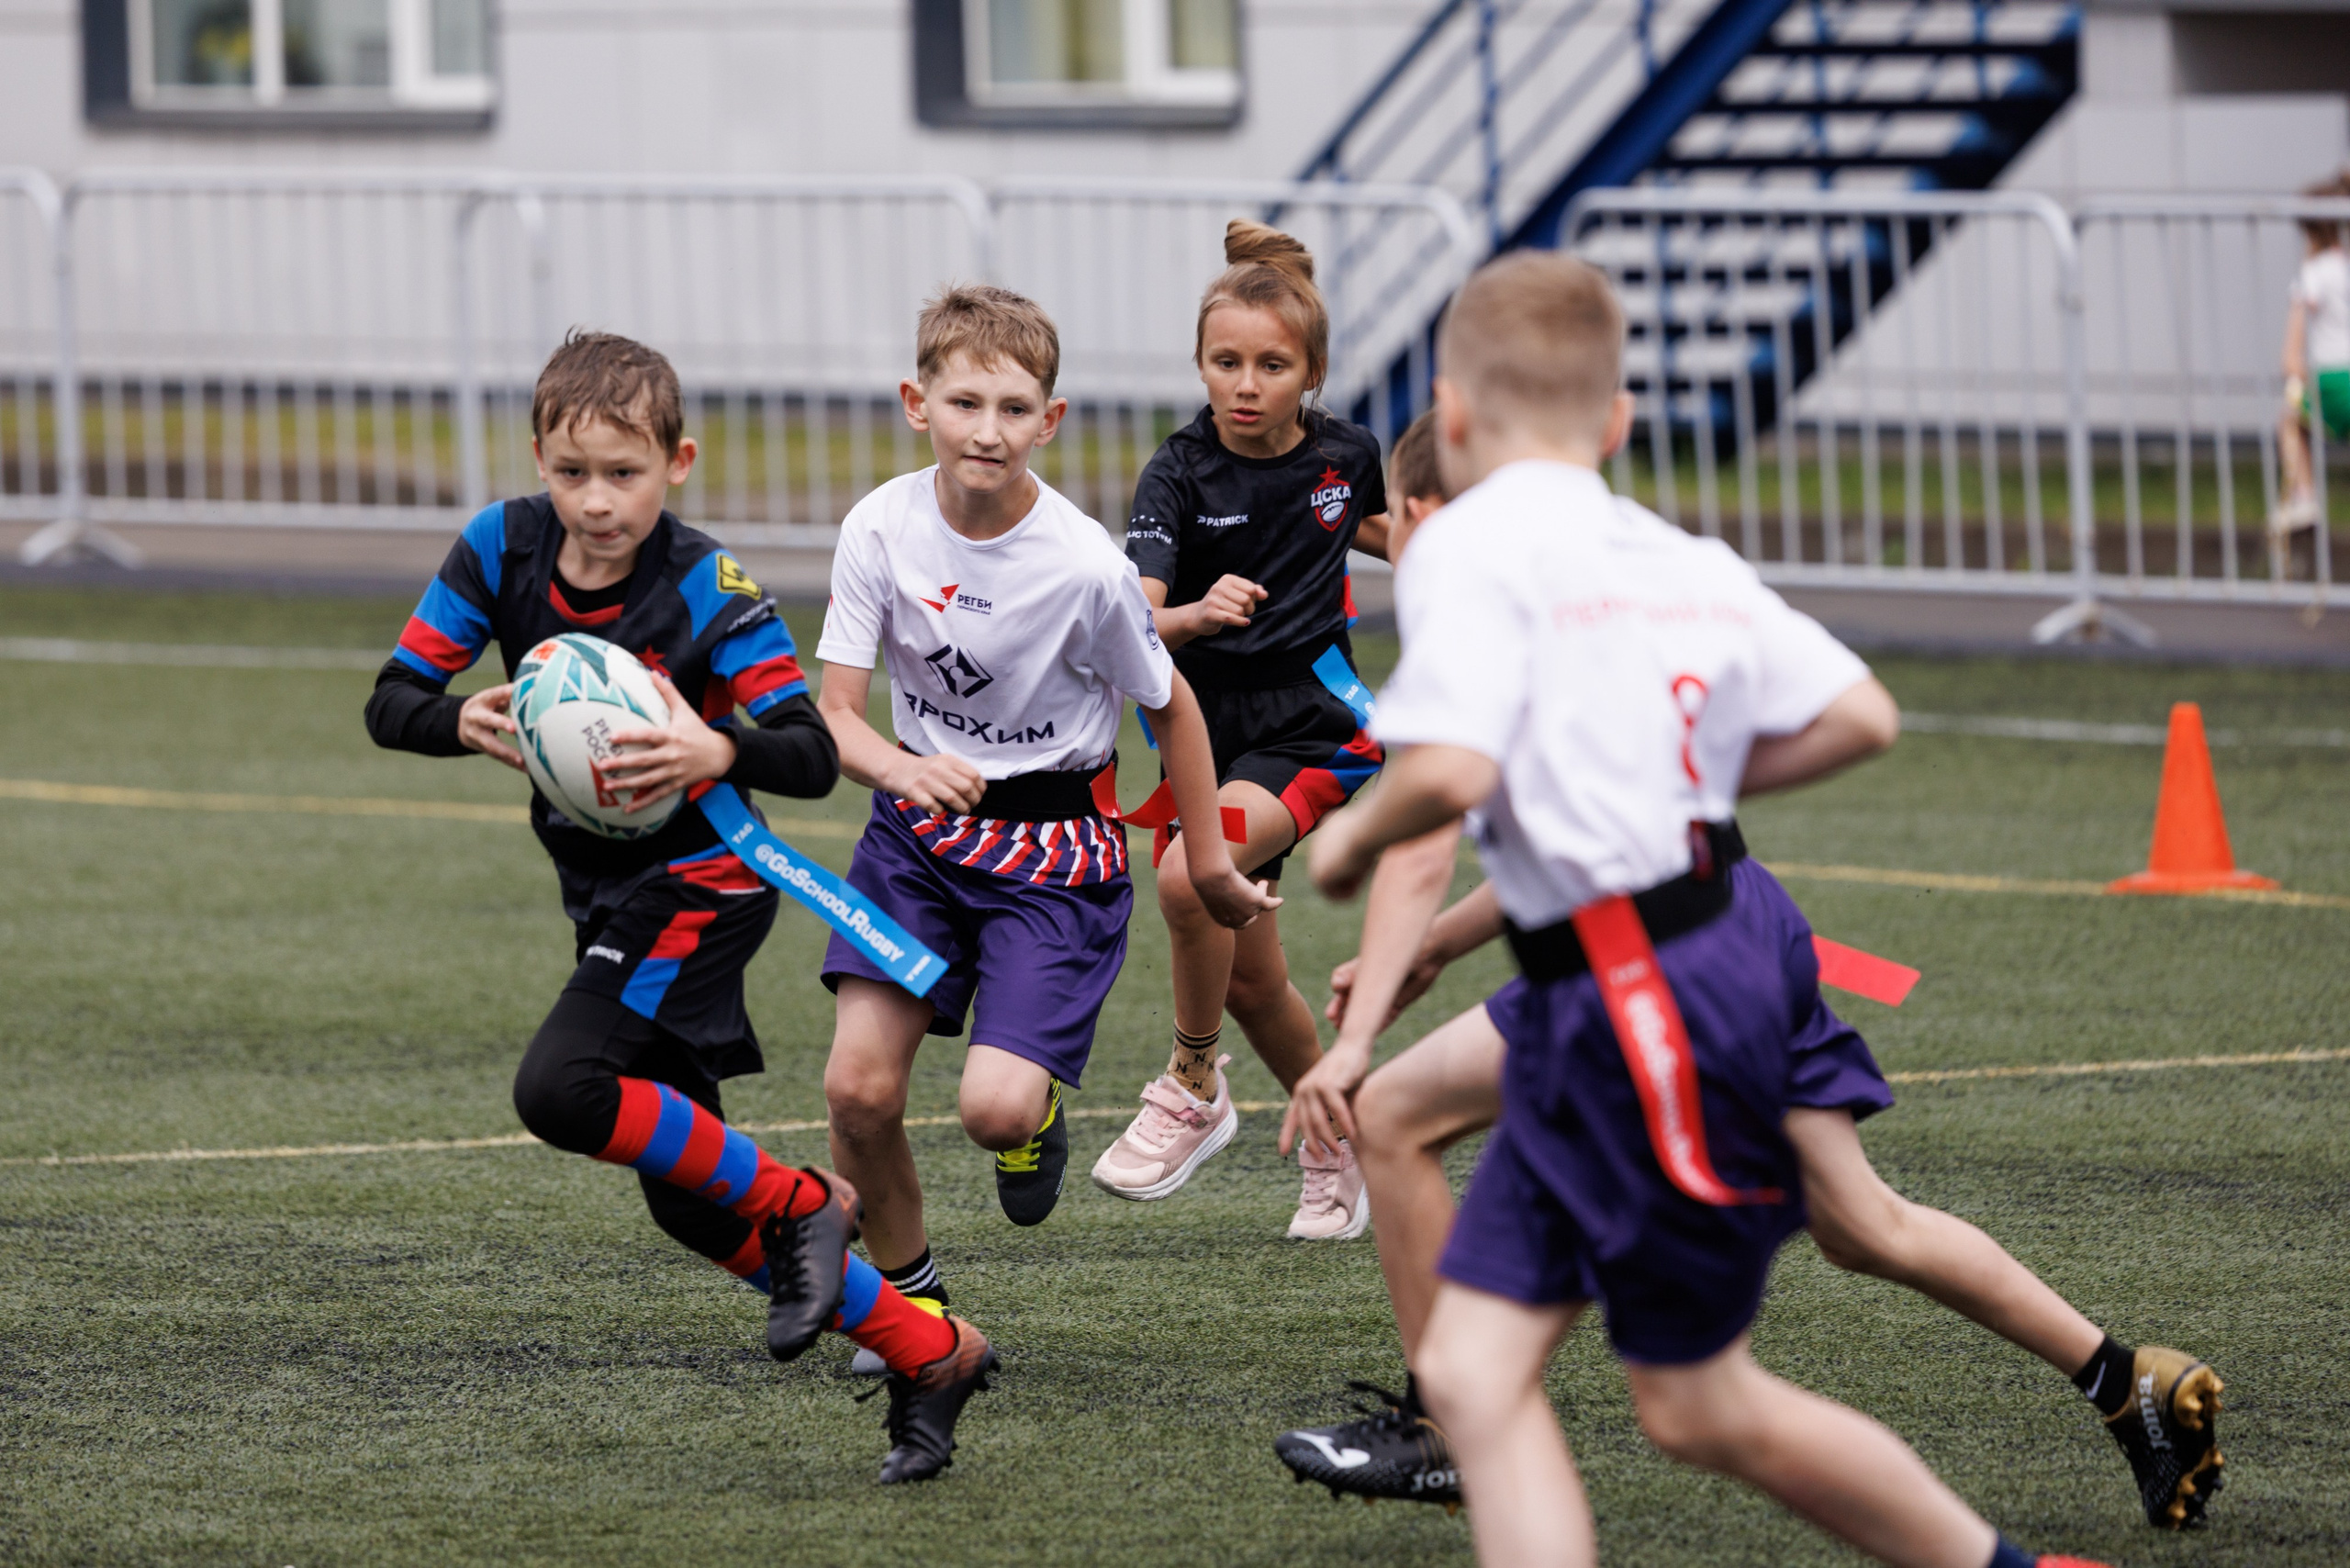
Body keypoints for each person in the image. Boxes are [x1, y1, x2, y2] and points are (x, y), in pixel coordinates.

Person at [1298, 251, 2133, 1568]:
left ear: (1451, 419)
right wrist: (1684, 777)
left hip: (1642, 994)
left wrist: (1350, 838)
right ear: (1617, 422)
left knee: (1697, 1401)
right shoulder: (1674, 554)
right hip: (1651, 969)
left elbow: (1449, 780)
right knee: (1468, 1370)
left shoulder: (1463, 543)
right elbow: (1863, 716)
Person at [364, 330, 995, 1485]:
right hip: (604, 886)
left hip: (707, 878)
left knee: (560, 1086)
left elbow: (806, 752)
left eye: (625, 474)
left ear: (678, 461)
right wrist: (455, 718)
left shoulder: (707, 583)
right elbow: (394, 697)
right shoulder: (497, 549)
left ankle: (807, 1201)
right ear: (538, 463)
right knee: (693, 1208)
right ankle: (932, 1349)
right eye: (571, 473)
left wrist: (714, 745)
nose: (597, 502)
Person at [815, 286, 1271, 1338]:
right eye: (965, 401)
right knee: (856, 1090)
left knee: (993, 1110)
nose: (988, 429)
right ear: (915, 402)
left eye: (1014, 407)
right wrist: (897, 769)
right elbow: (836, 713)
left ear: (1050, 421)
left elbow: (1172, 703)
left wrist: (1204, 860)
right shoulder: (878, 527)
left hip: (1052, 852)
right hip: (916, 838)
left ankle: (1036, 1119)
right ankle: (911, 1309)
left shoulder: (1083, 568)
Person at [1091, 220, 1394, 1239]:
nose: (1246, 383)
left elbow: (1396, 535)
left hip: (1312, 735)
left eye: (1272, 364)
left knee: (1185, 877)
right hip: (1203, 738)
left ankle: (1192, 1084)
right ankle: (1341, 1137)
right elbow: (1134, 621)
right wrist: (1193, 614)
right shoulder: (1177, 474)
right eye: (1227, 362)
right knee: (1256, 976)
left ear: (1310, 372)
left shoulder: (1344, 455)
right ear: (1200, 364)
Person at [2274, 174, 2350, 541]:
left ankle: (2304, 498)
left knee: (2291, 421)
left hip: (2334, 380)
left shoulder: (2314, 273)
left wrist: (2292, 374)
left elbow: (2293, 351)